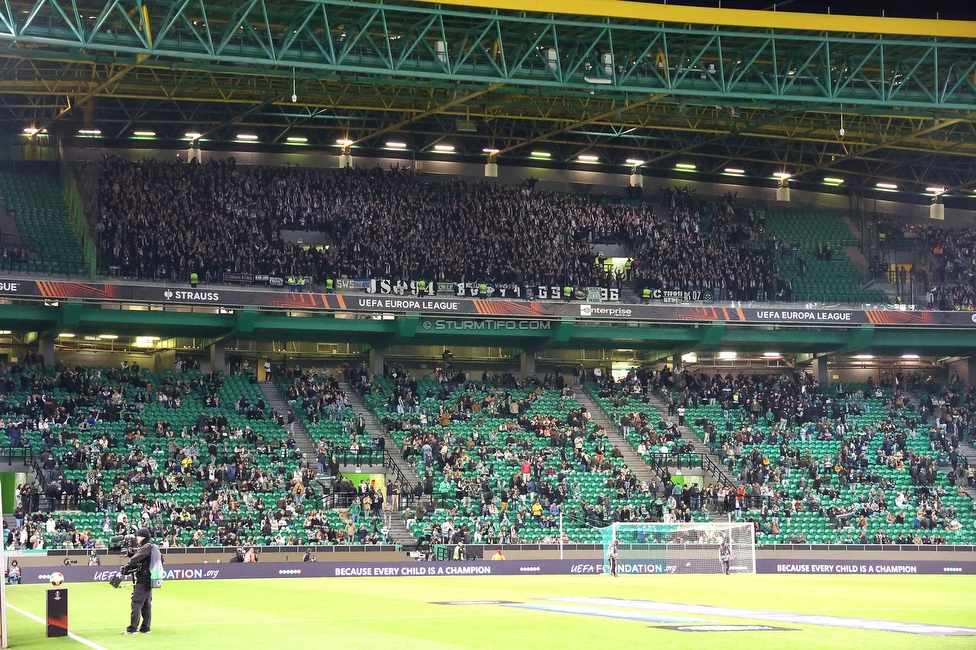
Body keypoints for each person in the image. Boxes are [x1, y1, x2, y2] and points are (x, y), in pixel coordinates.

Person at [120, 527, 163, 635]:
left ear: (142, 537)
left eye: (138, 536)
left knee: (136, 602)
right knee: (146, 604)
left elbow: (136, 559)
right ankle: (145, 627)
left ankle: (132, 628)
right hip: (150, 578)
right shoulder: (153, 547)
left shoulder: (145, 547)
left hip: (143, 578)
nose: (137, 538)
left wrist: (127, 565)